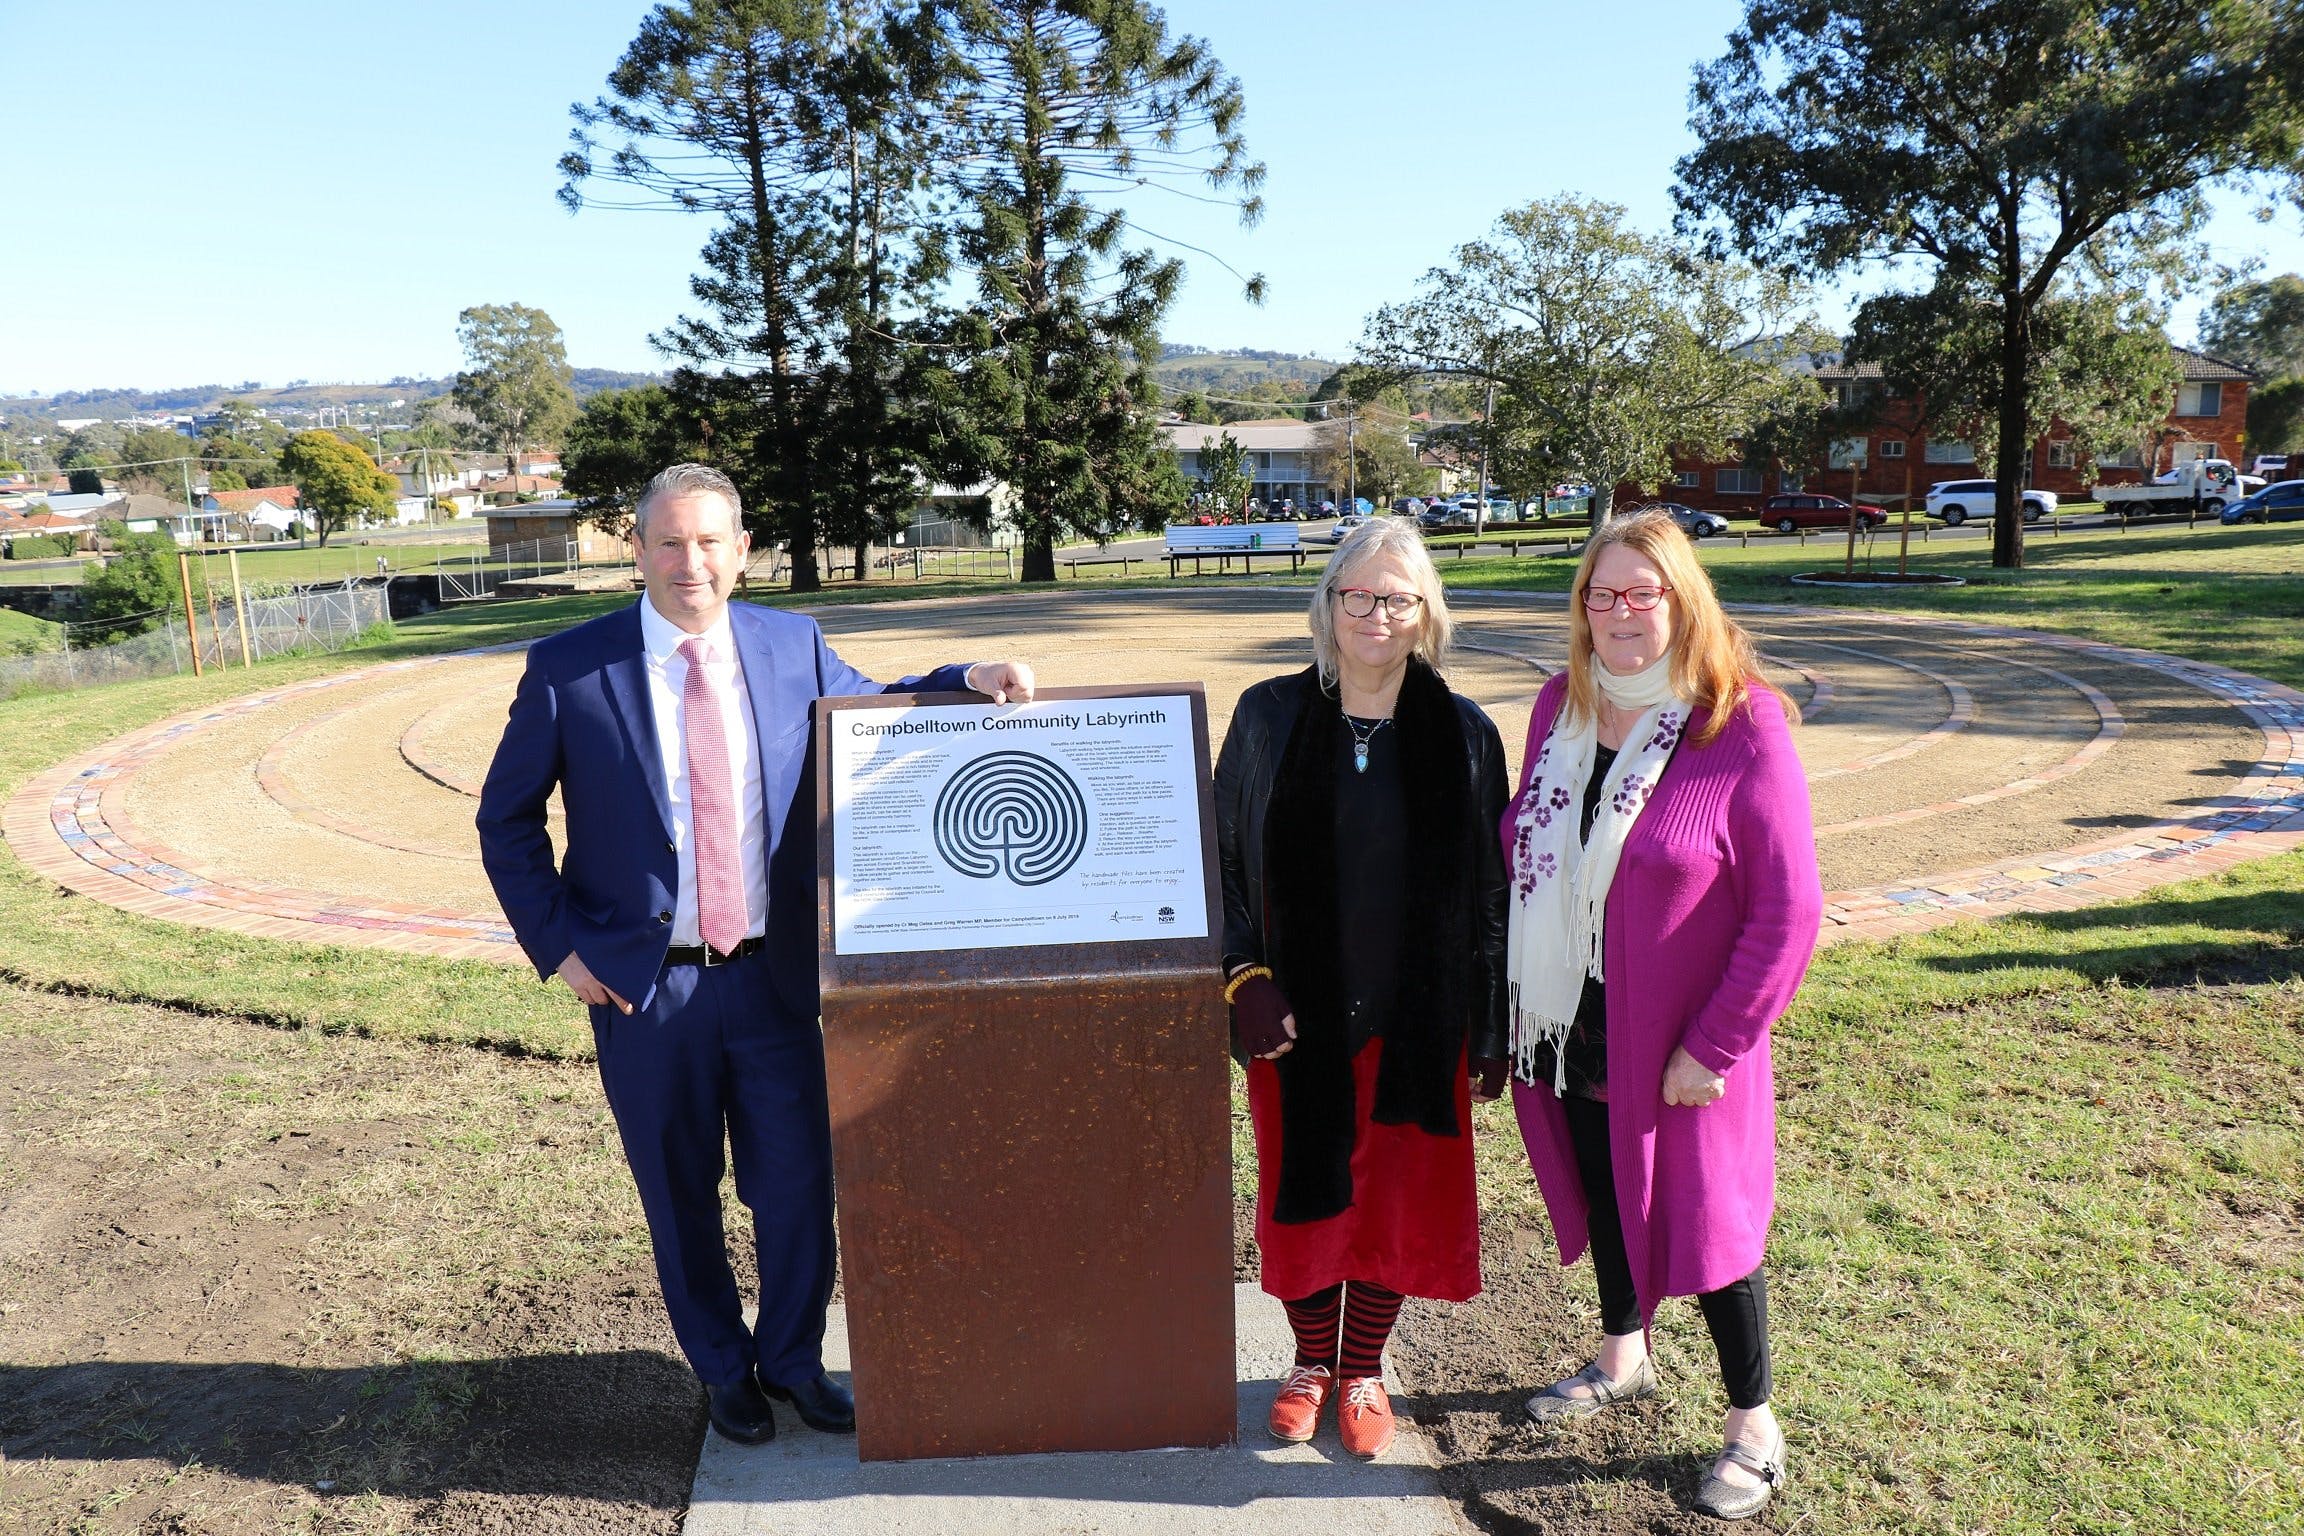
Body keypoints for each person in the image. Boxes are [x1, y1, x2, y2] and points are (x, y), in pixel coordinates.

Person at [476, 463, 1034, 1447]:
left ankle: (791, 1363)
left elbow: (878, 707)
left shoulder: (794, 645)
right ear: (637, 551)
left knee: (795, 1192)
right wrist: (561, 947)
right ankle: (724, 1371)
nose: (691, 562)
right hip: (647, 992)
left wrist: (966, 680)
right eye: (670, 542)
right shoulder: (569, 671)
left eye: (710, 542)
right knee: (679, 1194)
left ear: (742, 550)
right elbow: (505, 823)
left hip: (775, 984)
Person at [1500, 508, 1819, 1521]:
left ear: (1684, 601)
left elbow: (1788, 907)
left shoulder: (1742, 720)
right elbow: (1528, 843)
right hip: (1574, 1018)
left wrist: (1714, 1043)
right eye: (1602, 593)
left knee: (1713, 1227)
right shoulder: (1562, 704)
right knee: (1605, 1194)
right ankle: (1622, 1352)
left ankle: (1753, 1425)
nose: (1622, 612)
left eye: (1644, 592)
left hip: (1685, 1039)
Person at [1213, 518, 1510, 1460]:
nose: (1376, 614)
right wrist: (1243, 976)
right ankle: (1308, 1362)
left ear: (1427, 615)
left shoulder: (1465, 734)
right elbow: (1220, 861)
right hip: (1297, 1020)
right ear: (1329, 604)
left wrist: (1489, 1019)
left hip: (1419, 1020)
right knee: (1306, 1199)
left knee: (1394, 1207)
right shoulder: (1267, 716)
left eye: (1398, 598)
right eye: (1359, 595)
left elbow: (1491, 889)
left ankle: (1363, 1367)